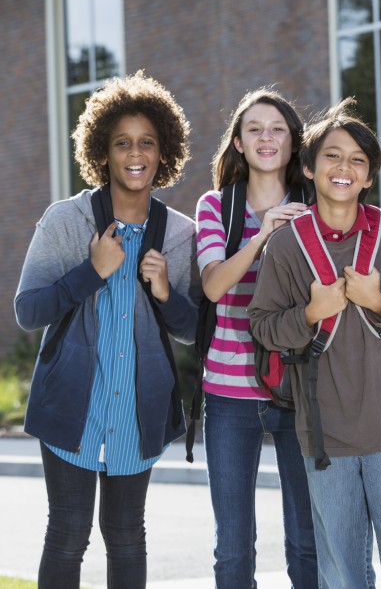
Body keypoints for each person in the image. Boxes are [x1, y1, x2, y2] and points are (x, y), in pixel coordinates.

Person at [14, 71, 199, 588]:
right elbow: (28, 310)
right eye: (122, 143)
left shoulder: (181, 233)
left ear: (164, 152)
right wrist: (89, 272)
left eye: (146, 143)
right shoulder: (66, 220)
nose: (135, 154)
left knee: (126, 534)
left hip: (138, 411)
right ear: (103, 151)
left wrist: (165, 295)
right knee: (67, 534)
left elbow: (193, 331)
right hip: (72, 406)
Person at [249, 98, 381, 588]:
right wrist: (312, 313)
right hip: (324, 435)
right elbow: (263, 326)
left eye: (358, 160)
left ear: (369, 176)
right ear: (309, 168)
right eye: (332, 156)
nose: (345, 167)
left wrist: (379, 304)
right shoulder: (289, 244)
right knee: (341, 574)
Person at [195, 89, 316, 587]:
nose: (267, 137)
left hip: (299, 388)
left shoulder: (314, 206)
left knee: (307, 539)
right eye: (255, 129)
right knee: (233, 547)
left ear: (293, 144)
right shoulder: (215, 207)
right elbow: (214, 284)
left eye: (278, 129)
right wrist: (262, 235)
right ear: (239, 144)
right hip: (227, 395)